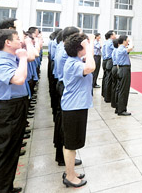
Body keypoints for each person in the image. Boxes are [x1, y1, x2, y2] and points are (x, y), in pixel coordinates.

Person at [0, 29, 32, 193]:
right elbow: (19, 79)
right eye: (17, 38)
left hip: (15, 106)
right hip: (8, 109)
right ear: (7, 42)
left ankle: (7, 186)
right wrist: (23, 59)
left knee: (12, 151)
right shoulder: (0, 61)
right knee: (5, 153)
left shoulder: (10, 58)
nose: (20, 41)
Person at [61, 32, 95, 188]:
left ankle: (71, 171)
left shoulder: (75, 61)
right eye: (83, 45)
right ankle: (69, 176)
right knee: (70, 144)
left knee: (72, 143)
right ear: (78, 48)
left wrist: (89, 46)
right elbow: (91, 66)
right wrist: (88, 46)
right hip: (73, 108)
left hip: (77, 106)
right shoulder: (73, 64)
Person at [53, 27, 82, 167]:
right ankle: (64, 157)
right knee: (65, 125)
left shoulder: (62, 48)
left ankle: (63, 156)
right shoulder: (66, 51)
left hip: (62, 83)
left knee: (63, 122)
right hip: (65, 85)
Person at [115, 35, 133, 116]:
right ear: (124, 41)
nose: (128, 42)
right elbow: (130, 48)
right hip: (124, 70)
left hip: (122, 69)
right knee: (123, 90)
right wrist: (131, 41)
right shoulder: (121, 48)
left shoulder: (120, 48)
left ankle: (118, 108)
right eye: (127, 40)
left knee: (120, 89)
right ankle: (121, 110)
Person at [101, 30, 116, 102]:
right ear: (111, 36)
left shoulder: (106, 42)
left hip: (106, 60)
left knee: (106, 78)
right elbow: (116, 49)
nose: (115, 35)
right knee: (109, 79)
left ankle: (104, 94)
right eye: (114, 34)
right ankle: (107, 97)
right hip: (110, 61)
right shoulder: (110, 42)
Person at [110, 39, 120, 109]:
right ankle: (115, 103)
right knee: (117, 86)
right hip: (116, 67)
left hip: (114, 67)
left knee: (114, 85)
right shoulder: (117, 51)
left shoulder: (114, 50)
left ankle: (113, 102)